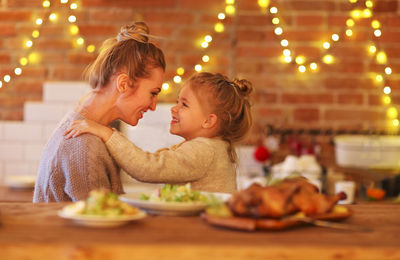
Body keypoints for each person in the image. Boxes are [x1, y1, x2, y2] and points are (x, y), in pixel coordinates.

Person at [33, 21, 166, 202]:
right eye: (153, 93)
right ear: (123, 84)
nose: (153, 106)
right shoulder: (84, 147)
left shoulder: (87, 129)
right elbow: (99, 224)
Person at [64, 72, 253, 194]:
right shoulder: (212, 147)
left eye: (184, 104)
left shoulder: (204, 150)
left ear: (209, 121)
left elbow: (147, 168)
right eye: (178, 101)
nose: (174, 108)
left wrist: (107, 134)